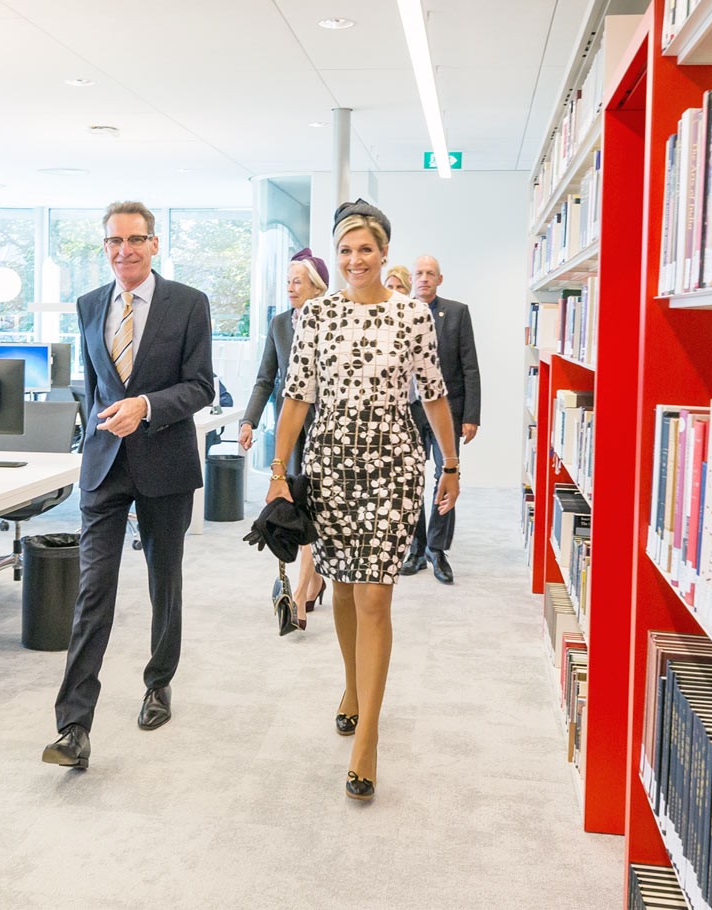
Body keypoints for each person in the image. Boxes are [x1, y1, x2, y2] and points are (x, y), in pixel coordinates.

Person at [268, 199, 459, 801]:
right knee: (345, 587)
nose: (356, 259)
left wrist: (450, 463)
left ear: (384, 254)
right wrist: (279, 470)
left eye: (366, 249)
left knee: (376, 593)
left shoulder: (413, 316)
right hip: (329, 459)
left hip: (393, 459)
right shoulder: (315, 316)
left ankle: (368, 737)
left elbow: (432, 394)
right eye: (345, 249)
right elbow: (296, 395)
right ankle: (352, 686)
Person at [42, 201, 214, 770]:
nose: (124, 250)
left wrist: (144, 406)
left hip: (165, 463)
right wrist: (98, 426)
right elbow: (93, 385)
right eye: (114, 241)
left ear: (155, 243)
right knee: (94, 589)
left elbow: (200, 388)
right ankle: (73, 727)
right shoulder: (90, 303)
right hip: (104, 466)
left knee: (165, 580)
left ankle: (159, 682)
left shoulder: (189, 304)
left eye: (135, 239)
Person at [238, 249, 329, 625]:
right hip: (292, 432)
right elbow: (265, 377)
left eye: (298, 281)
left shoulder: (331, 322)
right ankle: (312, 581)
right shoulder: (279, 325)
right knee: (299, 505)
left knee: (319, 507)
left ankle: (306, 594)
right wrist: (249, 421)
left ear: (316, 287)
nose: (290, 288)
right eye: (288, 281)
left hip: (326, 430)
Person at [400, 255, 480, 584]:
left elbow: (470, 365)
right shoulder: (400, 312)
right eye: (418, 273)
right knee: (411, 480)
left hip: (448, 410)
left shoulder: (456, 313)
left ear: (439, 279)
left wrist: (472, 415)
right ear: (412, 278)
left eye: (429, 273)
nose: (423, 278)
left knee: (446, 476)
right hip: (410, 411)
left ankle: (438, 548)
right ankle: (416, 547)